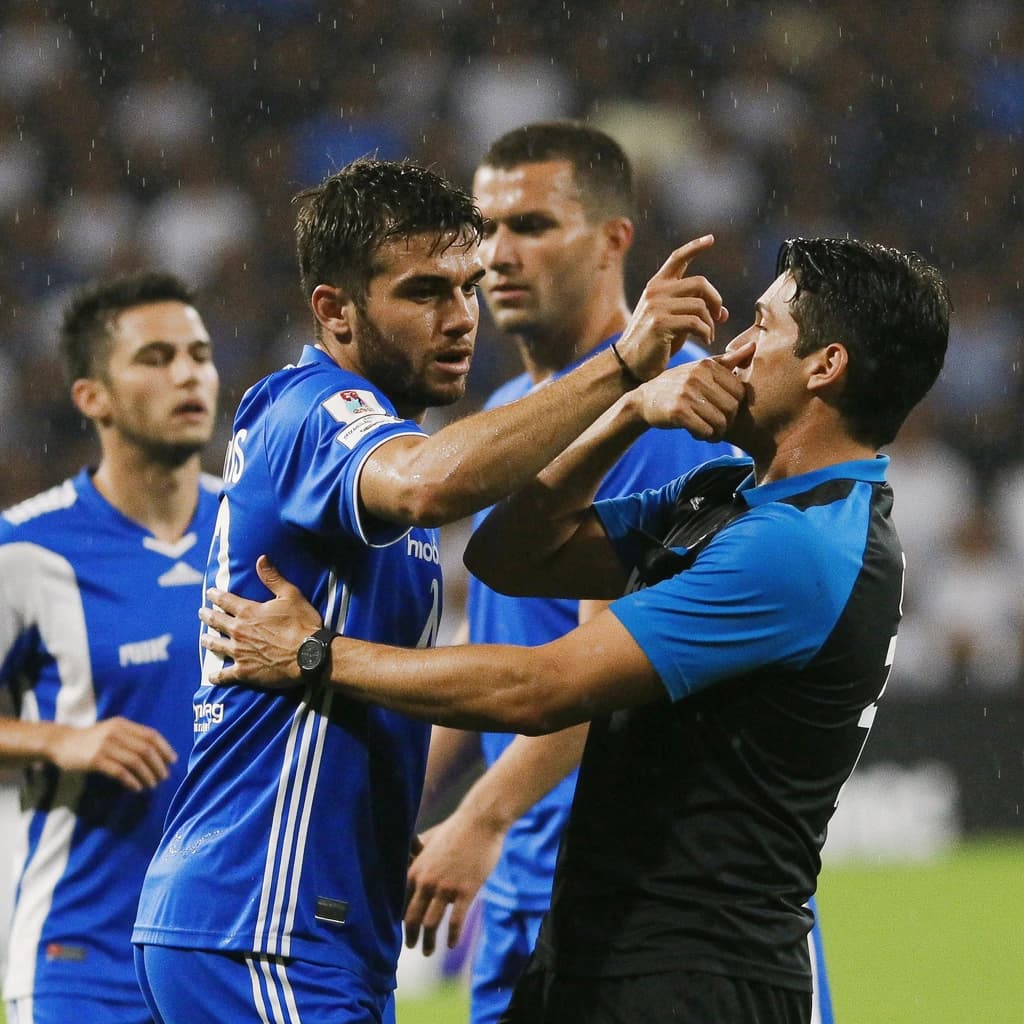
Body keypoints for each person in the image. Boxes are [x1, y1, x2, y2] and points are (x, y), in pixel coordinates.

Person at [198, 236, 951, 1024]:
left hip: (698, 974)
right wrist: (626, 411)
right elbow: (511, 554)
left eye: (761, 327)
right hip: (601, 951)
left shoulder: (802, 547)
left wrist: (316, 654)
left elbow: (541, 688)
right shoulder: (728, 493)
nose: (732, 350)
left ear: (825, 366)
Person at [130, 157, 724, 1024]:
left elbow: (411, 673)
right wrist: (624, 366)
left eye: (467, 289)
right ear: (334, 309)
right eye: (422, 293)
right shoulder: (311, 409)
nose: (459, 319)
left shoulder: (379, 454)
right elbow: (427, 486)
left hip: (311, 918)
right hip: (265, 916)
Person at [405, 120, 832, 1024]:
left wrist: (479, 818)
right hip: (528, 888)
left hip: (656, 895)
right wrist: (404, 786)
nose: (498, 254)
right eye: (484, 229)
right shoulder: (514, 414)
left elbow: (599, 663)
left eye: (529, 225)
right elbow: (496, 640)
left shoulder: (679, 408)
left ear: (614, 240)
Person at [0, 271, 221, 1024]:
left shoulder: (258, 532)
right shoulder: (28, 549)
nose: (188, 373)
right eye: (155, 358)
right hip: (82, 958)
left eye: (199, 352)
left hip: (228, 954)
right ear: (93, 398)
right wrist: (61, 739)